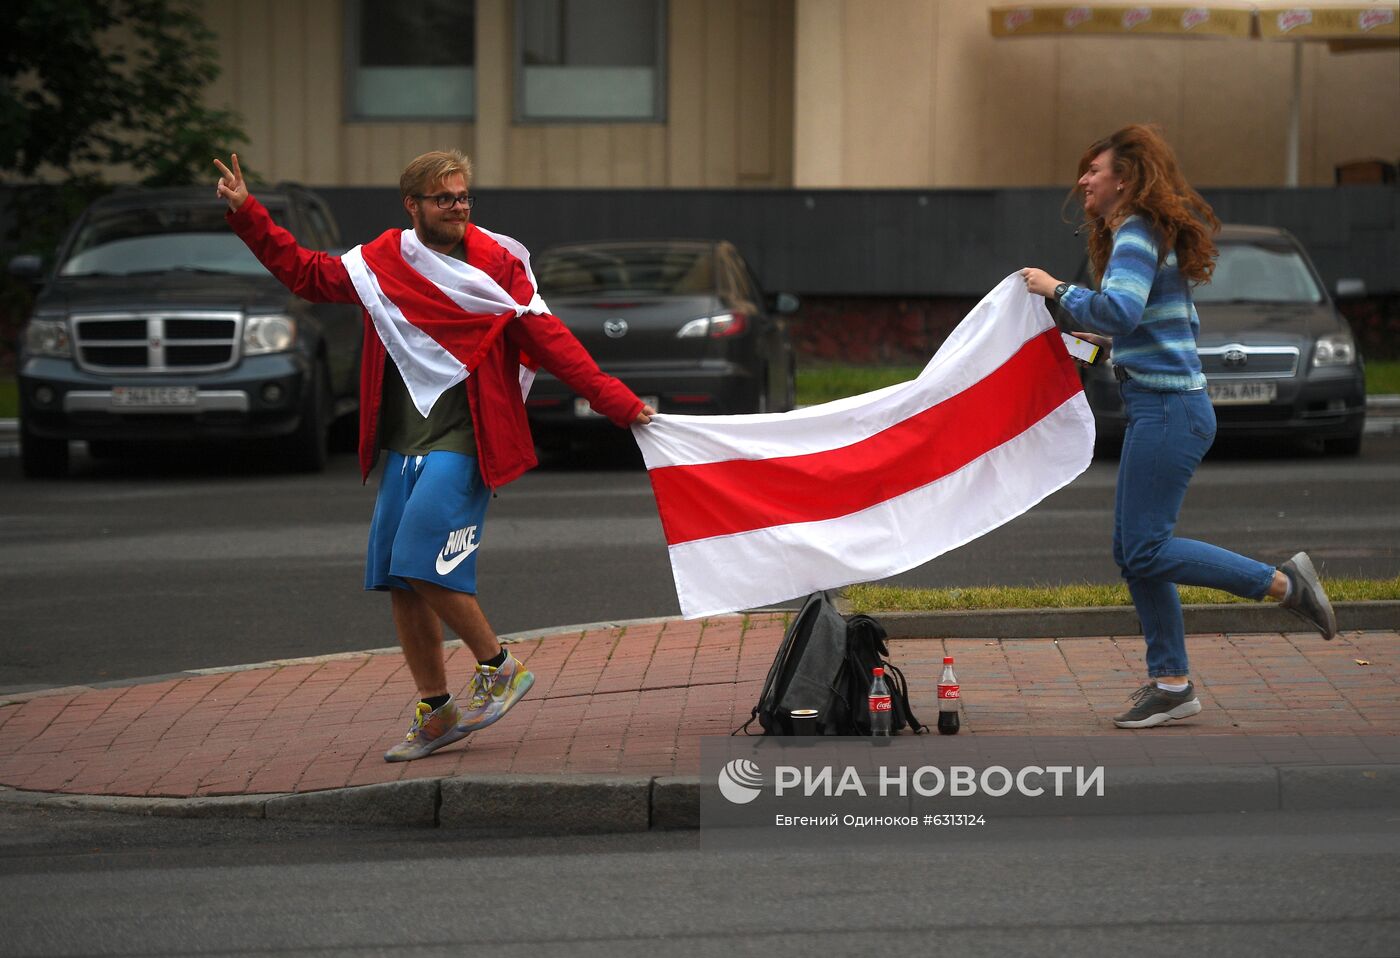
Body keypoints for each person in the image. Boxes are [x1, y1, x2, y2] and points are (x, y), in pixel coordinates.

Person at [215, 150, 654, 760]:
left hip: (465, 439)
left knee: (423, 561)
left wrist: (620, 403)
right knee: (400, 579)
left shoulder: (497, 265)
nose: (458, 208)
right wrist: (247, 213)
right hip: (402, 442)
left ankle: (500, 667)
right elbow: (305, 274)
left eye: (464, 197)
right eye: (445, 198)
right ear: (413, 205)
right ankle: (436, 708)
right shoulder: (381, 262)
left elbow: (548, 339)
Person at [1019, 124, 1337, 729]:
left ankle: (1283, 586)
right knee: (1135, 554)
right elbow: (1167, 325)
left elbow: (1120, 308)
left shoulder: (1136, 233)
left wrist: (1056, 289)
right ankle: (1171, 683)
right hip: (1163, 406)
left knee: (1144, 548)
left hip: (1168, 412)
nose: (1083, 180)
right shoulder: (1138, 236)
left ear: (1126, 179)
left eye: (1095, 170)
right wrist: (1109, 345)